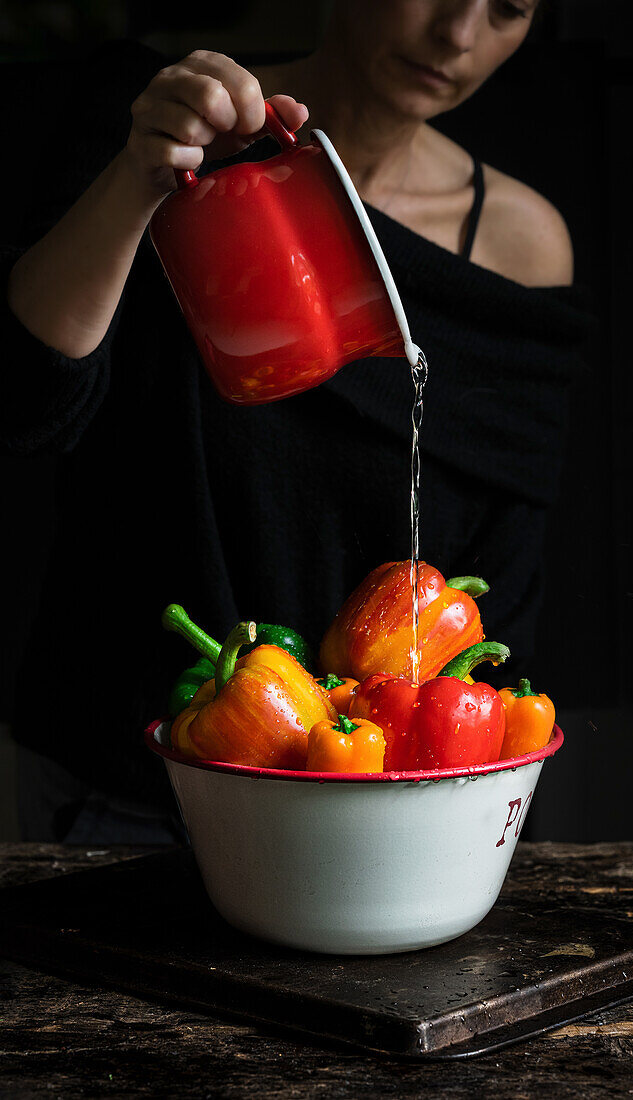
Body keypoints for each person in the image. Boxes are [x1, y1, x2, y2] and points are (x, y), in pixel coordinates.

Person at [2, 0, 591, 842]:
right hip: (130, 765)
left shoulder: (520, 243)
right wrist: (139, 178)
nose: (458, 35)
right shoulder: (165, 126)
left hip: (370, 794)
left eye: (507, 9)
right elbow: (26, 406)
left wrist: (465, 795)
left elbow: (502, 574)